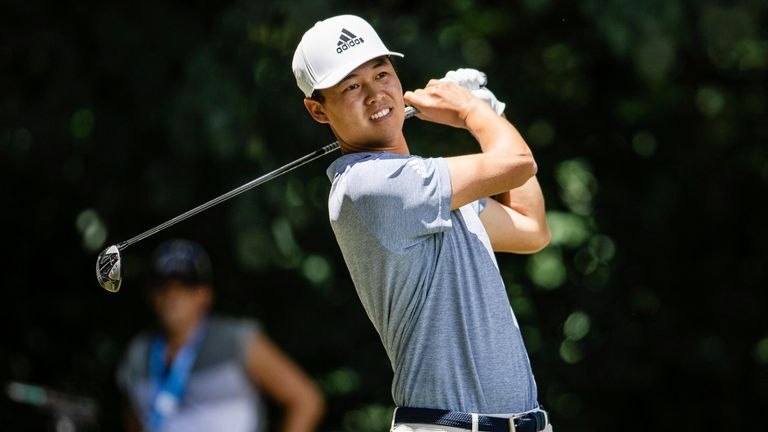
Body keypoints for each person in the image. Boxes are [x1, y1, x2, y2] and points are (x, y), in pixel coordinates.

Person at [292, 15, 552, 432]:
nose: (376, 94)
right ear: (317, 110)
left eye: (382, 73)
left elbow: (531, 227)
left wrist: (492, 115)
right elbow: (518, 163)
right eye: (352, 86)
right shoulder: (369, 185)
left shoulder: (427, 185)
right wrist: (472, 112)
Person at [115, 239, 325, 432]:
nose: (173, 295)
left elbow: (305, 400)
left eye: (185, 286)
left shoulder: (236, 340)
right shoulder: (138, 352)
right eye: (163, 286)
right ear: (151, 294)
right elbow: (134, 421)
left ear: (205, 295)